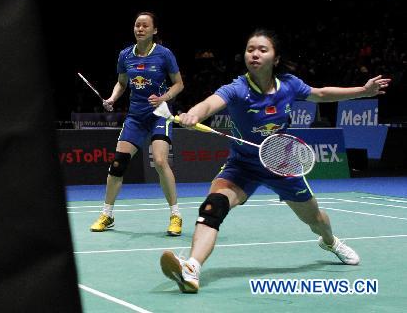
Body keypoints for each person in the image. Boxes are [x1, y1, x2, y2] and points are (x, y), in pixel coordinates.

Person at [160, 29, 391, 293]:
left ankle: (329, 242)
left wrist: (363, 91)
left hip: (280, 163)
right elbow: (211, 103)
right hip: (242, 166)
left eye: (262, 50)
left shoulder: (290, 85)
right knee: (213, 207)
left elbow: (322, 94)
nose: (255, 54)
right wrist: (193, 114)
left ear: (276, 58)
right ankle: (192, 268)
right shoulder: (238, 88)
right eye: (250, 50)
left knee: (316, 219)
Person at [90, 12, 185, 236]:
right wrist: (113, 98)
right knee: (117, 164)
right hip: (136, 117)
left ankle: (176, 215)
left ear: (154, 31)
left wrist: (164, 98)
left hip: (159, 114)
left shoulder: (164, 54)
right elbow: (122, 83)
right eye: (137, 25)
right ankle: (107, 214)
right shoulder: (125, 55)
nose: (140, 29)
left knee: (161, 161)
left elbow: (179, 84)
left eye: (145, 26)